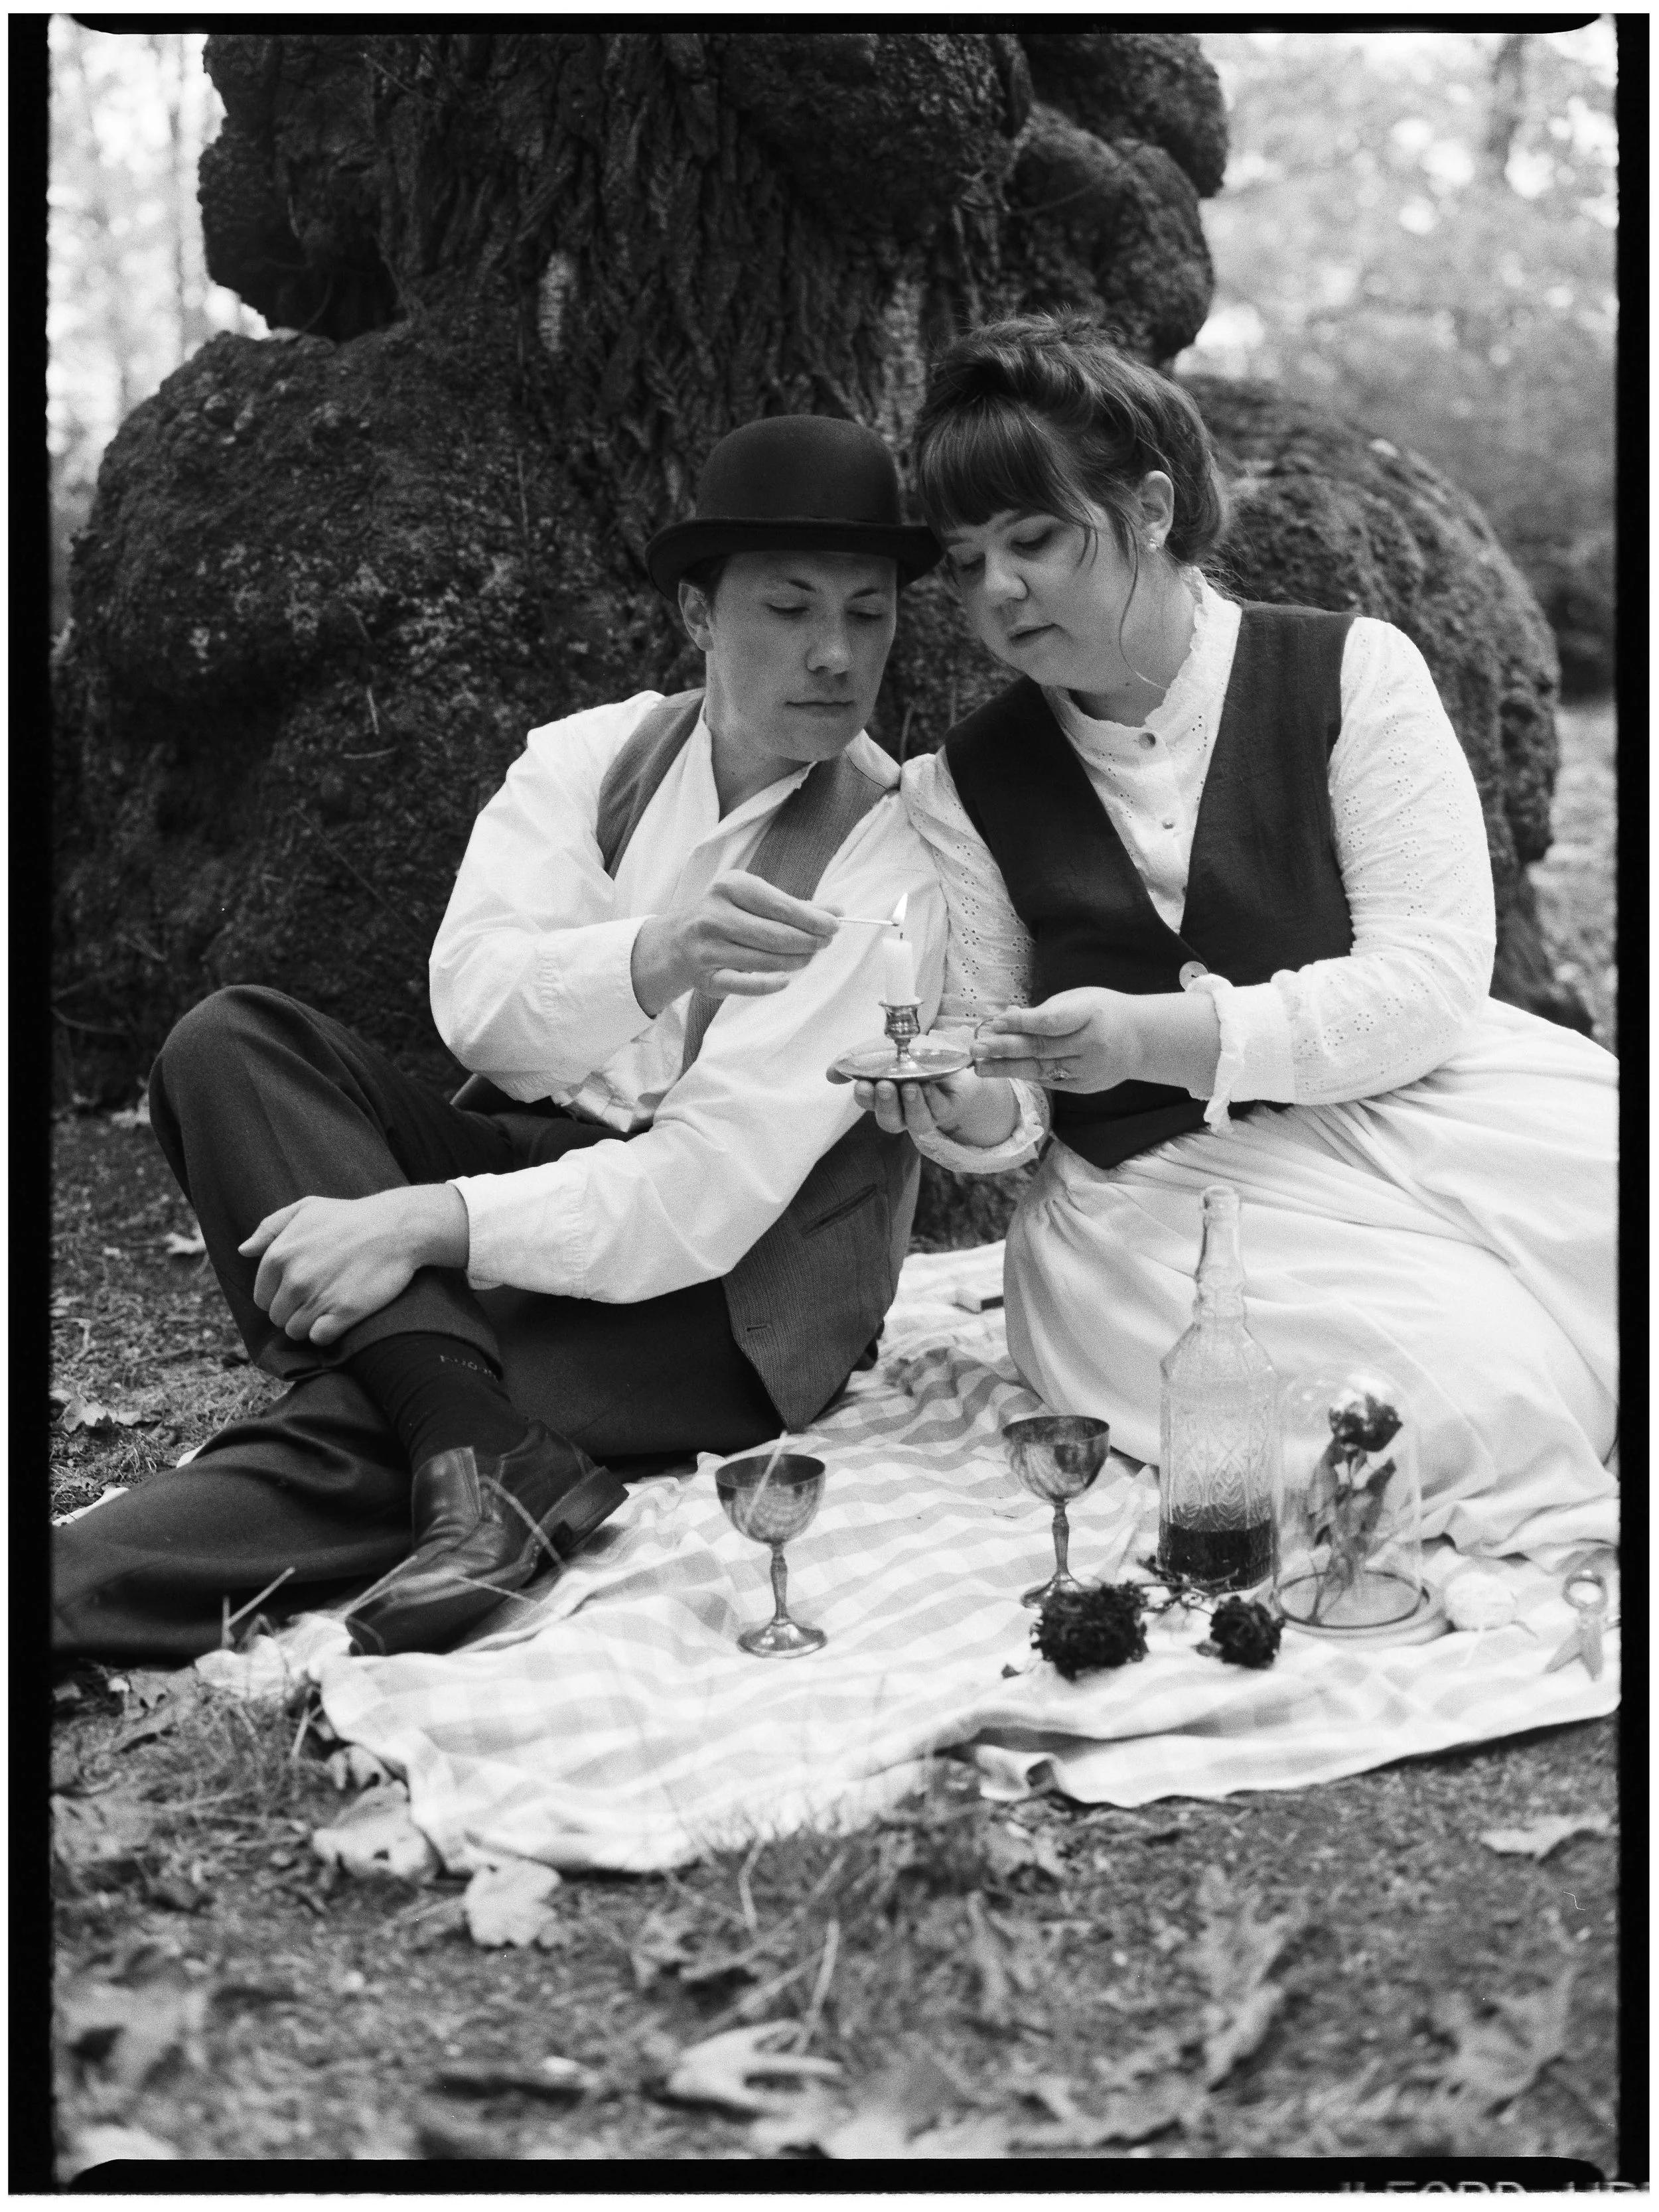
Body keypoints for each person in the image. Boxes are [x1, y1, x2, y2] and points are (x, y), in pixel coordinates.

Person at [54, 414, 947, 1661]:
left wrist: (420, 1224)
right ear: (699, 613)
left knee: (365, 1415)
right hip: (532, 1161)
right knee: (227, 1043)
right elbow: (477, 1007)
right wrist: (658, 955)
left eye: (869, 613)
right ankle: (479, 1442)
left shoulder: (892, 854)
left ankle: (70, 1583)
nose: (836, 653)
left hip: (729, 1293)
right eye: (791, 608)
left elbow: (702, 1193)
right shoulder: (590, 757)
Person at [856, 314, 1617, 1562]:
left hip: (1416, 1102)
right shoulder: (963, 785)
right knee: (1470, 1404)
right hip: (1156, 1200)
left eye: (1034, 539)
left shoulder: (1353, 674)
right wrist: (966, 1102)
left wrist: (1161, 1033)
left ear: (1151, 508)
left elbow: (1429, 980)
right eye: (964, 559)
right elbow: (1010, 1094)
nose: (996, 589)